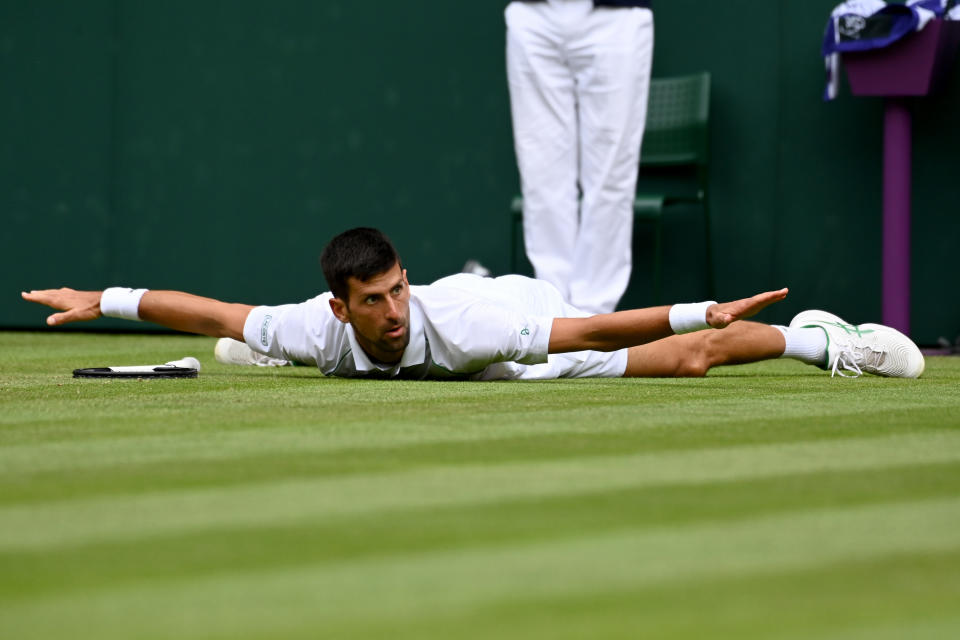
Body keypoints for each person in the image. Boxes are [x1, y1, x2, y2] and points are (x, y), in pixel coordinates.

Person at [21, 227, 924, 380]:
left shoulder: (463, 322)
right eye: (373, 301)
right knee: (248, 338)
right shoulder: (315, 322)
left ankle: (818, 343)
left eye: (397, 289)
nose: (392, 309)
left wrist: (697, 313)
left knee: (685, 360)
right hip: (477, 324)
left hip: (517, 315)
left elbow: (597, 326)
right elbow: (213, 313)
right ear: (340, 307)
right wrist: (105, 297)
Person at [506, 0, 654, 314]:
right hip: (533, 13)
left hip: (616, 15)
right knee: (540, 174)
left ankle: (594, 315)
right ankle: (553, 314)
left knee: (611, 173)